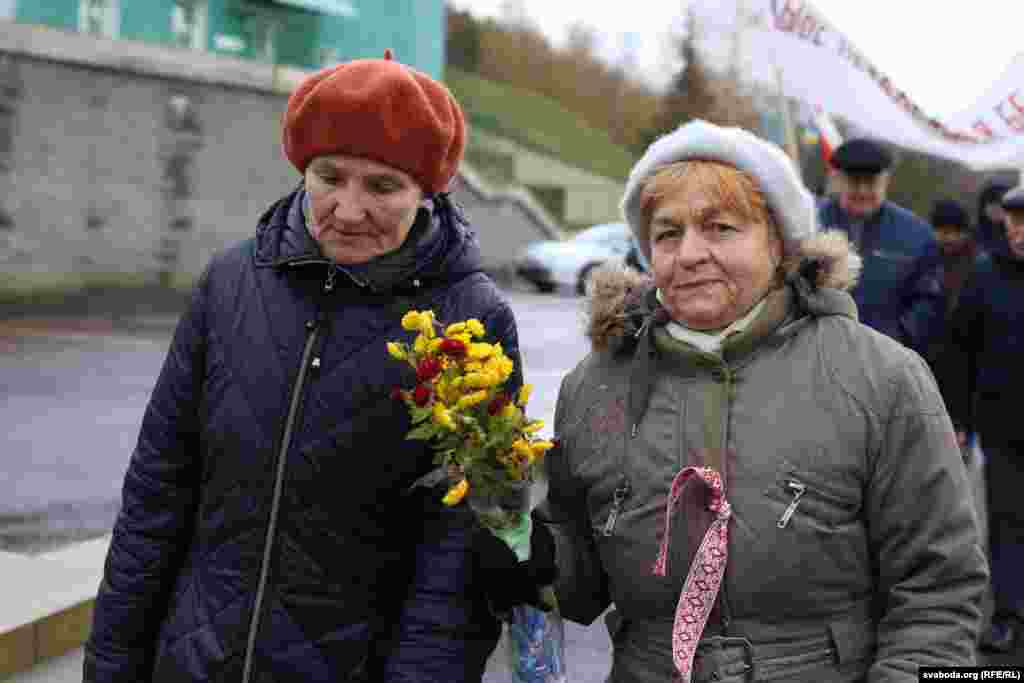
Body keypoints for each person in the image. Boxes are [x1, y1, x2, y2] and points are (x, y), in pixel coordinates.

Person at [83, 51, 549, 682]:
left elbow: (457, 561)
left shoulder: (471, 319)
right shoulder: (230, 283)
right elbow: (157, 492)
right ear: (304, 170)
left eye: (383, 186)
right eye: (330, 178)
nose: (349, 210)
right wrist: (112, 665)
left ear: (427, 189)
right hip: (193, 664)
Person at [538, 120, 987, 682]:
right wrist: (530, 552)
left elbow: (939, 594)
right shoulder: (593, 387)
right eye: (667, 233)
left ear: (778, 243)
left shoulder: (882, 378)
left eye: (721, 227)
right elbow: (580, 584)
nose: (690, 253)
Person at [940, 184, 1024, 654]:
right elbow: (960, 351)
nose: (1020, 231)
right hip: (1003, 426)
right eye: (1014, 221)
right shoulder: (985, 276)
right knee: (1008, 520)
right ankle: (1009, 614)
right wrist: (959, 417)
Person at [817, 138, 945, 357]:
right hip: (819, 355)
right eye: (854, 182)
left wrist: (898, 337)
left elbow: (928, 300)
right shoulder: (810, 224)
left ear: (886, 181)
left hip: (887, 360)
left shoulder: (916, 234)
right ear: (837, 180)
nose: (863, 191)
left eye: (871, 182)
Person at [974, 179, 1012, 258]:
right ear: (983, 207)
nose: (996, 208)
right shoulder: (972, 236)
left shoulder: (1018, 235)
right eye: (991, 202)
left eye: (1001, 203)